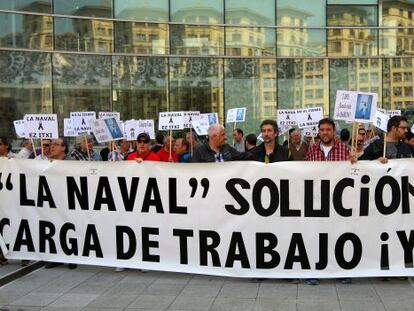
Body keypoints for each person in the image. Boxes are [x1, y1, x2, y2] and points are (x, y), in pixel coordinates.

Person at [305, 118, 351, 285]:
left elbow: (354, 172)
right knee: (316, 235)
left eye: (328, 130)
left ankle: (341, 270)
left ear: (334, 131)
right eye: (322, 129)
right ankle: (314, 270)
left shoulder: (345, 149)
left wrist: (356, 161)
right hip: (317, 200)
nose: (325, 132)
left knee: (338, 234)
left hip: (338, 201)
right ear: (318, 131)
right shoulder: (312, 150)